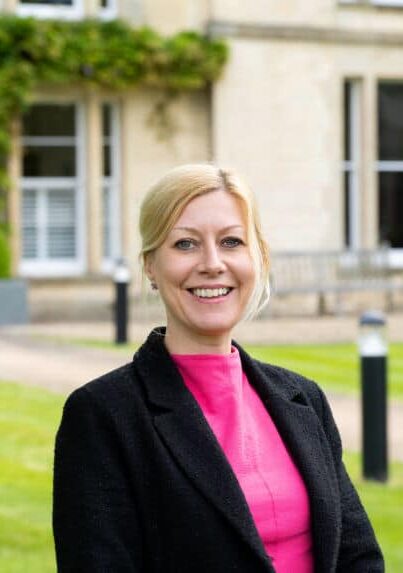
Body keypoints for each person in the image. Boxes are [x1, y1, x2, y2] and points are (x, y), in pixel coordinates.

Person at [53, 164, 384, 572]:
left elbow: (358, 557)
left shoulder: (304, 399)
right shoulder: (103, 415)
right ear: (150, 266)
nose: (212, 263)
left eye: (231, 242)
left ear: (256, 258)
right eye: (186, 245)